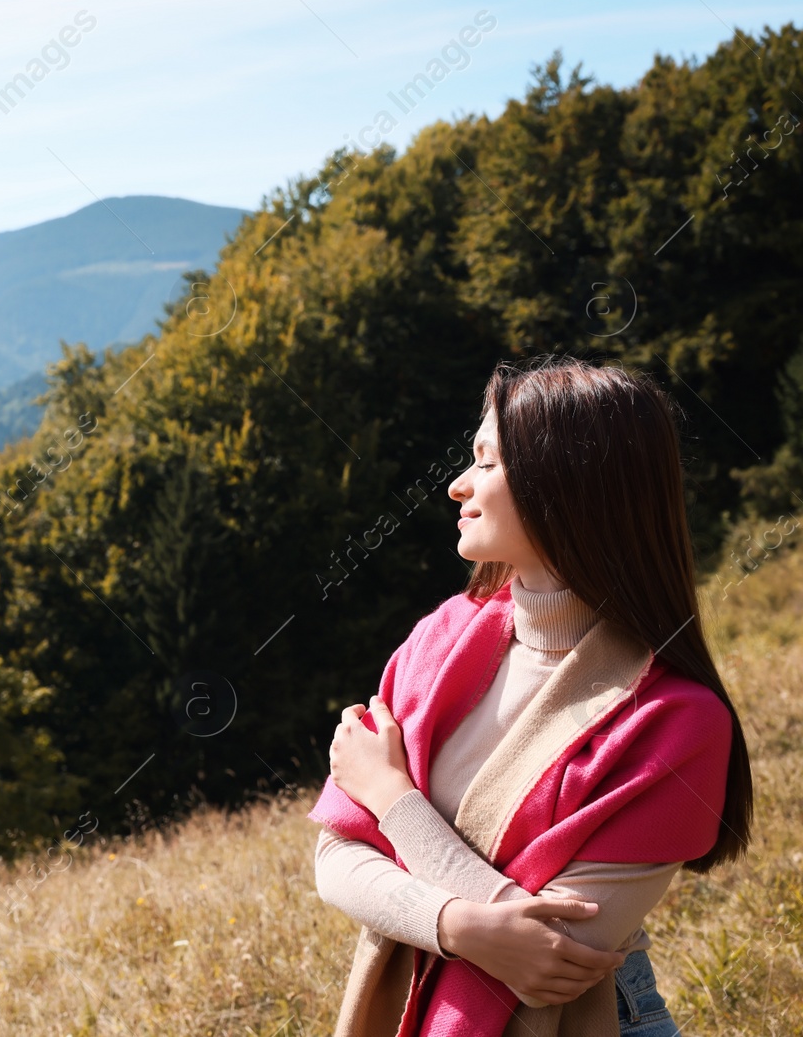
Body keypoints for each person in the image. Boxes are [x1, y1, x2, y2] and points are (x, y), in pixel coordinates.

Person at [310, 357, 752, 1036]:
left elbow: (553, 952)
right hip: (408, 999)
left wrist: (392, 798)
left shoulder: (676, 723)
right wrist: (459, 925)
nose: (458, 484)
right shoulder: (439, 641)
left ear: (567, 481)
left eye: (487, 462)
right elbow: (335, 858)